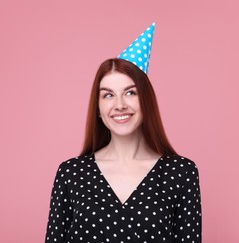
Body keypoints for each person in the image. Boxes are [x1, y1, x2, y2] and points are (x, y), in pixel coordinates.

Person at [45, 24, 202, 243]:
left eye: (130, 92)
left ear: (145, 101)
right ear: (98, 109)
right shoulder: (71, 174)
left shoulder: (181, 173)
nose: (119, 105)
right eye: (108, 95)